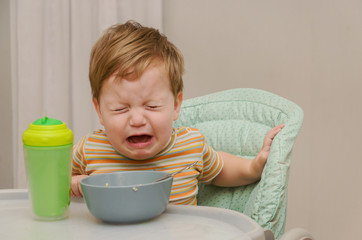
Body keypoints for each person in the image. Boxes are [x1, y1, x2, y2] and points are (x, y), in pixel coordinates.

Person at [71, 20, 284, 205]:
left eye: (152, 106)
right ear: (99, 110)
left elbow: (222, 169)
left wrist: (254, 167)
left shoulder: (190, 146)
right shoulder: (90, 150)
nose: (136, 120)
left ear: (175, 105)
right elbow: (52, 182)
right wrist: (72, 184)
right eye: (120, 109)